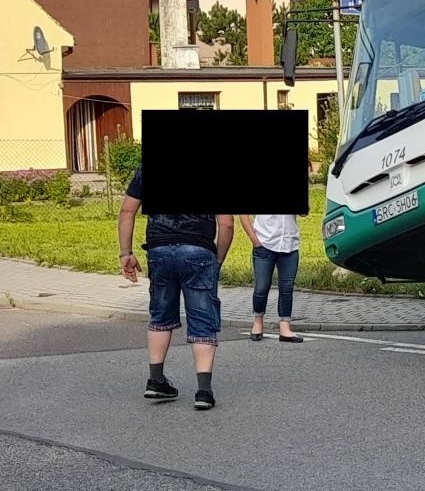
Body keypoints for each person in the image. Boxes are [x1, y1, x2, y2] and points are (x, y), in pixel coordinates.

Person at [118, 166, 234, 410]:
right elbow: (226, 224)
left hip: (159, 250)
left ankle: (155, 380)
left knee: (160, 315)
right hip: (198, 250)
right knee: (202, 317)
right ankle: (203, 391)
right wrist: (218, 259)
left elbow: (127, 210)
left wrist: (126, 253)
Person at [239, 211, 303, 343]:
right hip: (265, 243)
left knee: (287, 288)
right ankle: (258, 322)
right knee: (261, 287)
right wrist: (254, 239)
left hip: (289, 244)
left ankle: (285, 327)